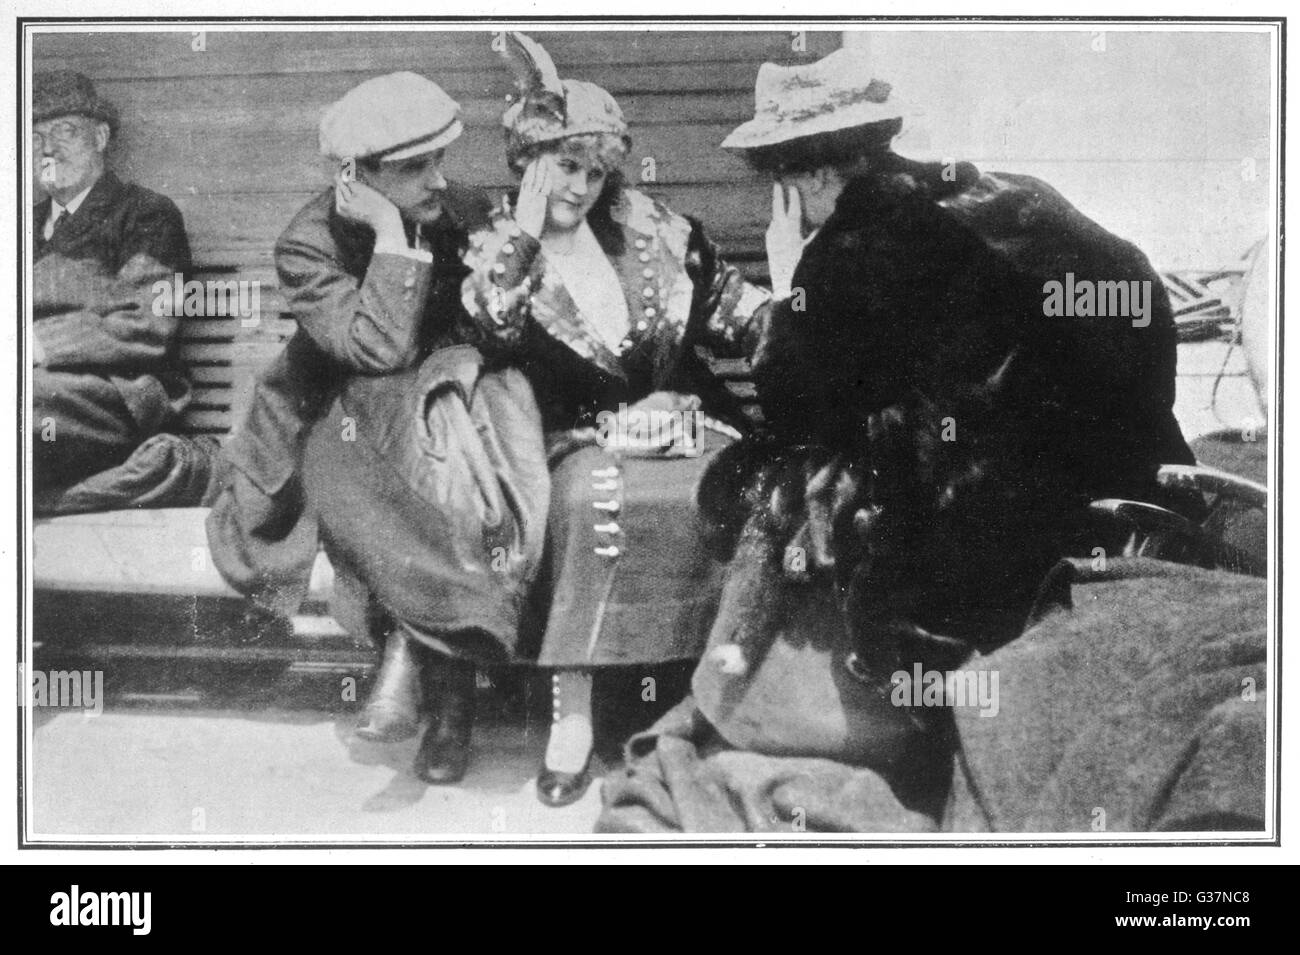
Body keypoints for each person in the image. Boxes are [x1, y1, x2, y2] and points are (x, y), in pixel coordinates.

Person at [596, 46, 1222, 832]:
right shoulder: (1004, 194)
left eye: (789, 185)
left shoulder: (844, 252)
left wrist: (790, 282)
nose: (791, 201)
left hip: (977, 540)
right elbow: (1138, 296)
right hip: (1119, 491)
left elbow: (798, 404)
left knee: (770, 480)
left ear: (817, 176)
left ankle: (834, 710)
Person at [206, 73, 547, 786]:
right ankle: (448, 702)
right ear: (356, 177)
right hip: (332, 421)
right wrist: (392, 237)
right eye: (415, 167)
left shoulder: (467, 212)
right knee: (390, 463)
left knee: (445, 472)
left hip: (444, 417)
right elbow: (374, 350)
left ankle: (413, 667)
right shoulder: (309, 243)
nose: (437, 180)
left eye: (440, 160)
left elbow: (504, 331)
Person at [459, 33, 773, 806]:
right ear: (528, 159)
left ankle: (719, 704)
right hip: (577, 440)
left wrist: (802, 319)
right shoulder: (494, 245)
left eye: (597, 171)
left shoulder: (653, 228)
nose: (584, 187)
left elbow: (737, 309)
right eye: (567, 166)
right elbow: (489, 328)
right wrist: (528, 239)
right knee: (584, 504)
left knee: (742, 490)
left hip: (687, 422)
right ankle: (575, 717)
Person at [32, 71, 198, 512]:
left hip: (120, 396)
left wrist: (36, 342)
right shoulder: (22, 226)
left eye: (65, 131)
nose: (47, 148)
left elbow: (148, 323)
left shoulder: (144, 215)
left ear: (101, 137)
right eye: (35, 136)